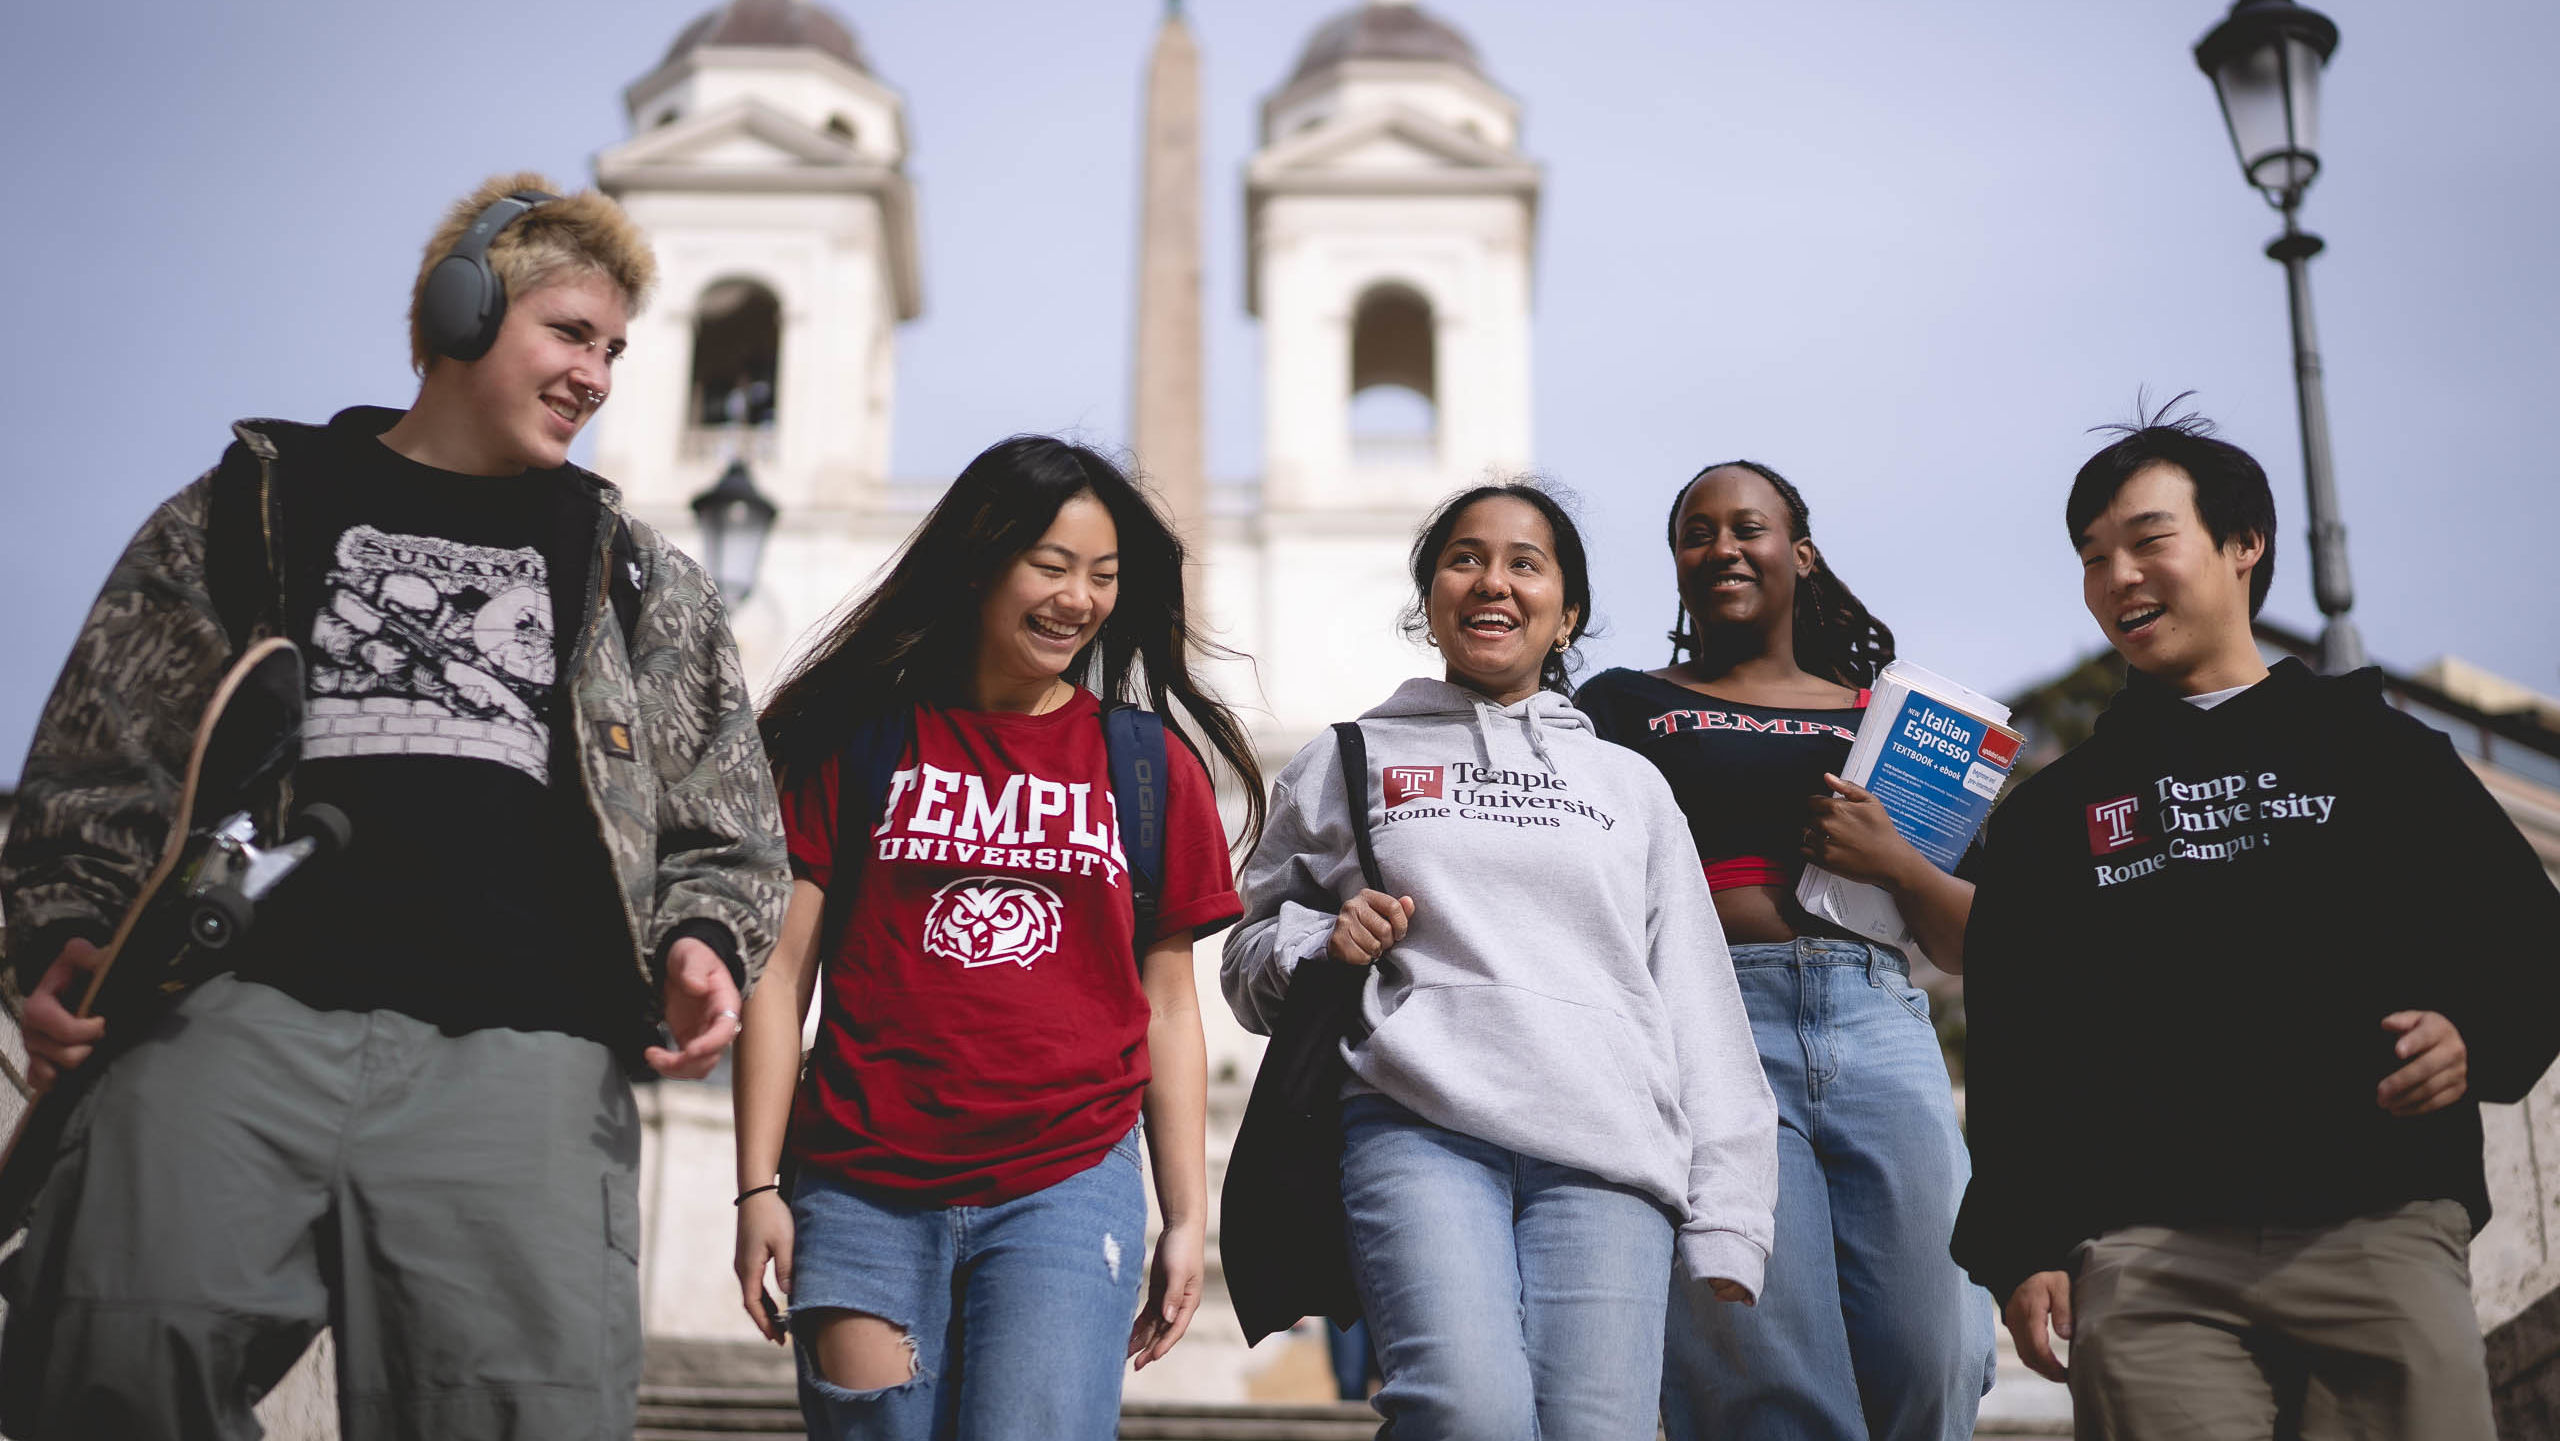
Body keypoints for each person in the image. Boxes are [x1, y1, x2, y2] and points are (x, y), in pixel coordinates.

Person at [0, 171, 789, 1439]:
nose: (597, 375)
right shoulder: (247, 507)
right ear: (461, 317)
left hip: (523, 1057)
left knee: (514, 1413)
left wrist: (703, 939)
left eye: (616, 350)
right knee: (109, 1359)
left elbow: (729, 824)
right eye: (571, 333)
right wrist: (56, 931)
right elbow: (106, 745)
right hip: (229, 1021)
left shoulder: (647, 575)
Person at [1951, 407, 2560, 1439]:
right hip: (2145, 1259)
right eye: (2093, 558)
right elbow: (2017, 1038)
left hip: (2382, 1225)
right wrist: (2023, 1247)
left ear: (2243, 545)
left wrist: (2473, 1034)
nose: (2118, 578)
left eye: (2148, 541)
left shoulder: (2382, 752)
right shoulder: (2055, 813)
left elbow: (2529, 938)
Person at [1225, 482, 1777, 1441]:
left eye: (1527, 562)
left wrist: (1729, 1212)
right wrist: (1321, 939)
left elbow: (1695, 996)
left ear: (1568, 615)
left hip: (1608, 1155)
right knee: (1465, 1412)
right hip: (1416, 1130)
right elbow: (1243, 955)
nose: (1494, 581)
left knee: (1596, 1430)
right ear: (1432, 593)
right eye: (1466, 557)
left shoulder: (1630, 784)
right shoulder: (1345, 758)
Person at [733, 436, 1260, 1440]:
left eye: (1103, 577)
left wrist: (1189, 1216)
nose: (1079, 599)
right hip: (857, 1183)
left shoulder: (1149, 768)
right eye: (1051, 566)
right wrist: (757, 1184)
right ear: (979, 562)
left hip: (1067, 1181)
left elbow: (1169, 1007)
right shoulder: (856, 736)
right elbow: (778, 971)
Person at [1576, 459, 1998, 1441]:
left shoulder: (1889, 723)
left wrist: (1896, 860)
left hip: (1878, 1018)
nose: (1722, 545)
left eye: (1748, 526)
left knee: (1942, 1346)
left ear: (1799, 554)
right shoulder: (1621, 706)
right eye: (1696, 531)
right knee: (1761, 1366)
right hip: (1710, 1028)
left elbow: (1971, 941)